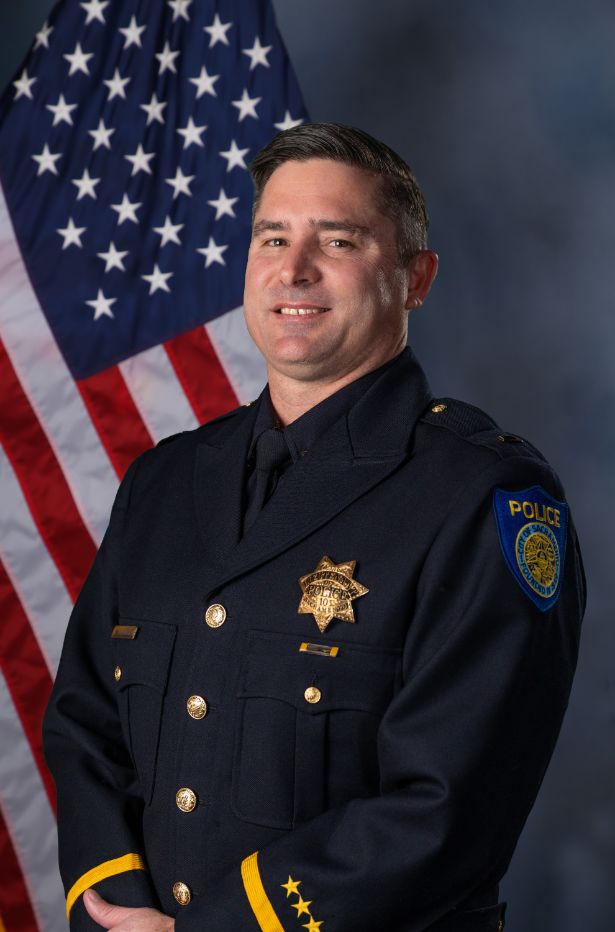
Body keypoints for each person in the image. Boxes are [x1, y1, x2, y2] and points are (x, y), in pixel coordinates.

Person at [43, 123, 585, 932]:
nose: (293, 269)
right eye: (272, 237)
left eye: (337, 239)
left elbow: (447, 810)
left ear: (415, 278)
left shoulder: (483, 496)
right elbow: (83, 718)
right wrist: (116, 902)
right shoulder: (164, 481)